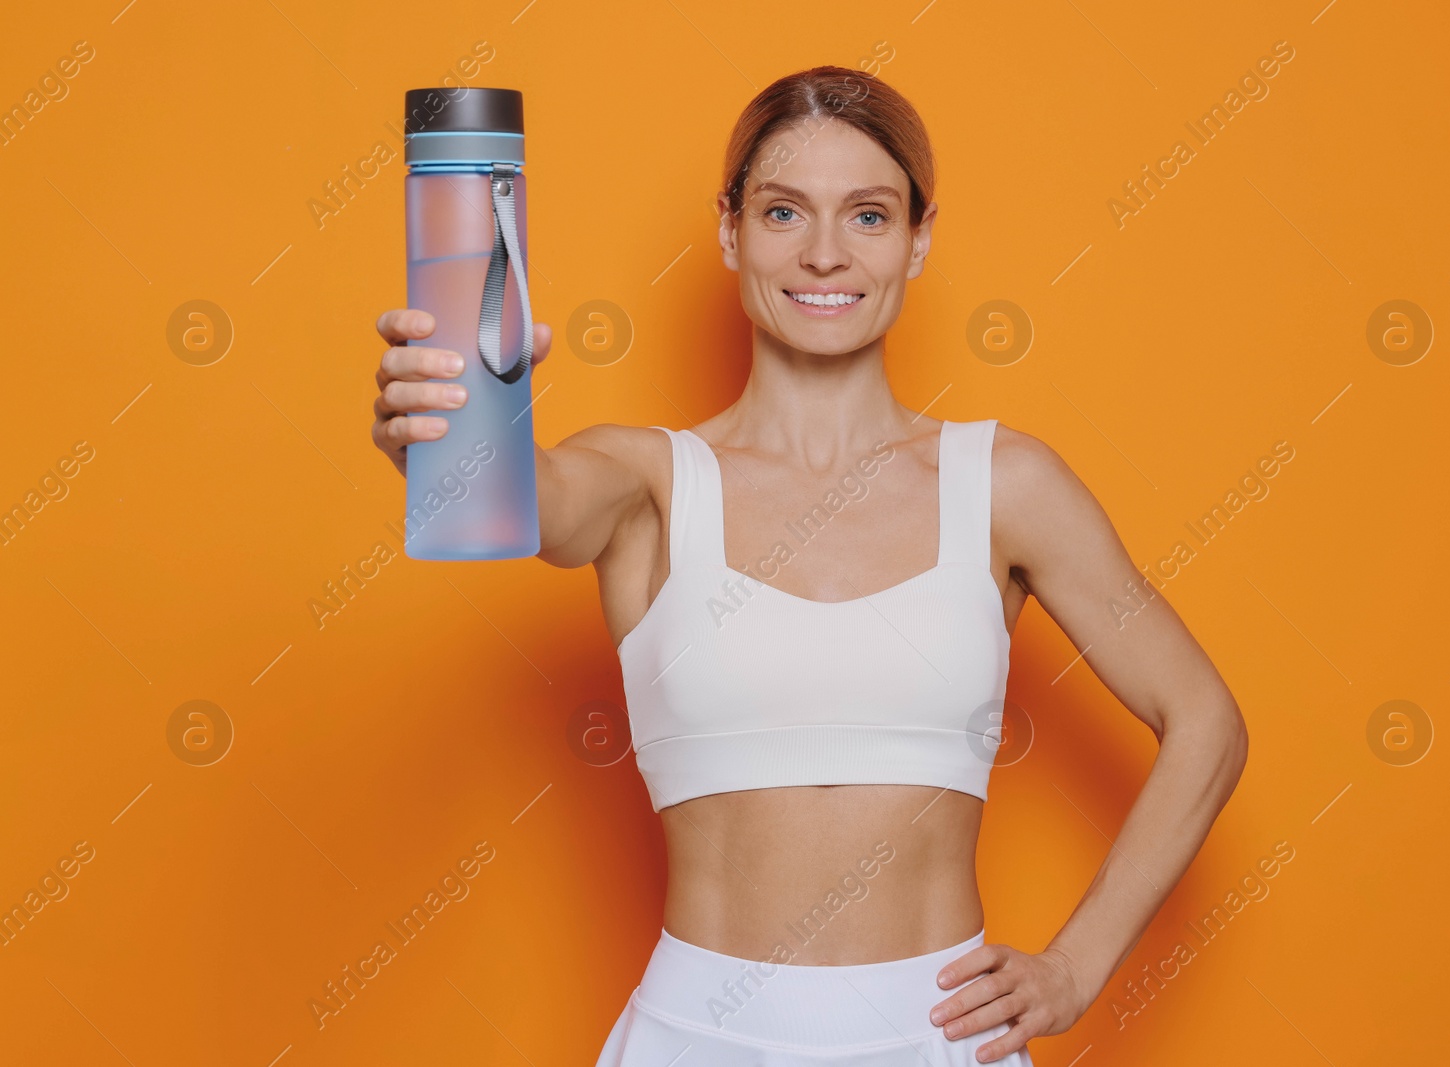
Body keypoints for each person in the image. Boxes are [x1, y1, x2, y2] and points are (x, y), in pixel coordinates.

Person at [369, 65, 1247, 1066]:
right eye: (784, 210)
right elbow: (528, 497)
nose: (824, 253)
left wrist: (1075, 966)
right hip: (696, 1040)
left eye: (867, 216)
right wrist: (442, 429)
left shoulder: (1003, 482)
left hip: (935, 1040)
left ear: (917, 238)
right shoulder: (648, 481)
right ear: (730, 229)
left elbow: (1205, 721)